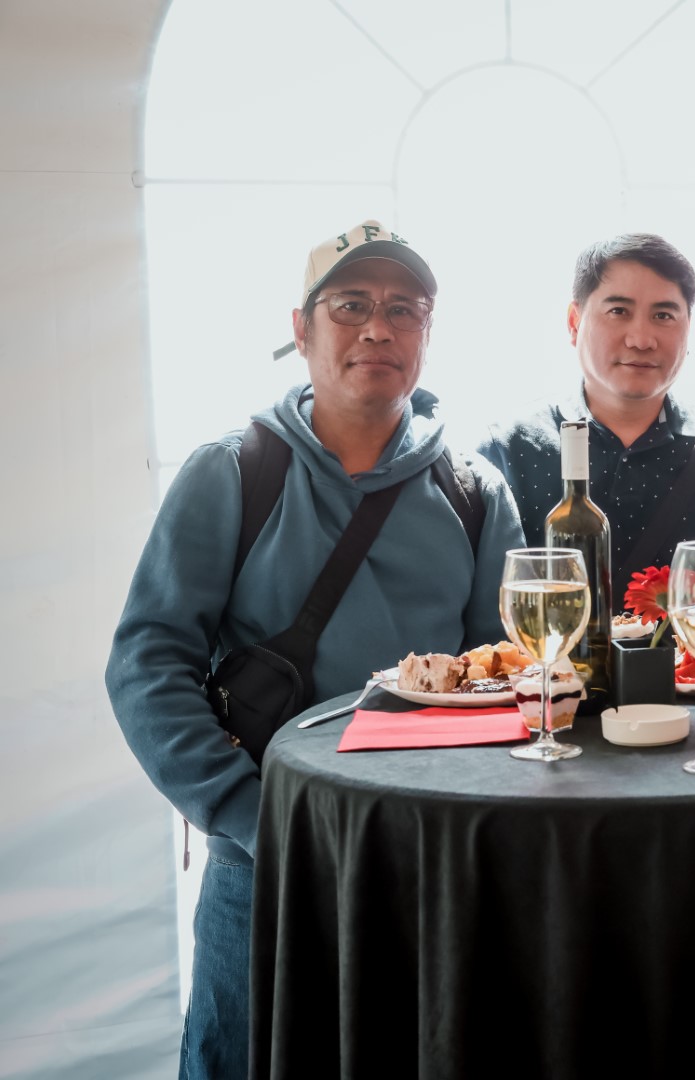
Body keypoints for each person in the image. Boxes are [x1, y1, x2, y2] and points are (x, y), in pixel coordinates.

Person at [104, 220, 524, 1079]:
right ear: (301, 329)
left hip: (424, 858)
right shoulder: (232, 473)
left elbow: (506, 676)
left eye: (403, 309)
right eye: (351, 306)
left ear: (427, 333)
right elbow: (147, 664)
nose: (378, 328)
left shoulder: (475, 492)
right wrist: (249, 816)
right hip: (264, 860)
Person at [480, 233, 695, 608]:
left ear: (688, 329)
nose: (641, 339)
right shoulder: (506, 452)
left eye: (663, 316)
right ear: (574, 322)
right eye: (618, 311)